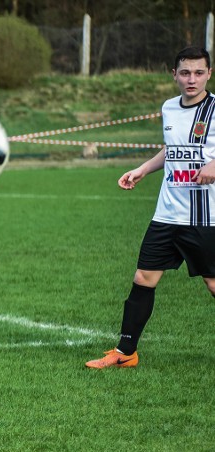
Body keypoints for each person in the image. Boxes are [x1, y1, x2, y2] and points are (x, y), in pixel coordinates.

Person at [86, 46, 215, 369]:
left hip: (204, 216)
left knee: (213, 283)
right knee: (143, 277)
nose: (191, 79)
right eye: (185, 72)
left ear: (209, 74)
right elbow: (171, 149)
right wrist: (144, 169)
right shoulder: (169, 108)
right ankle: (126, 352)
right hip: (167, 212)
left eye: (199, 72)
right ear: (174, 75)